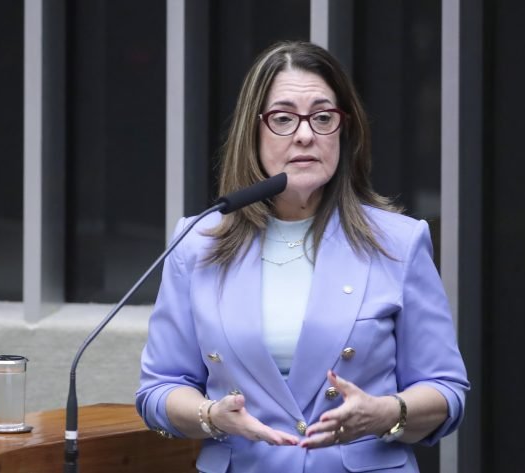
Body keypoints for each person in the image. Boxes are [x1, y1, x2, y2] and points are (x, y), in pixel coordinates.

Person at [136, 40, 469, 473]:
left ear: (344, 130)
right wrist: (212, 416)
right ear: (252, 132)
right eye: (283, 118)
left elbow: (446, 390)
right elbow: (160, 388)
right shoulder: (197, 242)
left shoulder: (398, 242)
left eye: (323, 117)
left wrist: (384, 413)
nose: (306, 134)